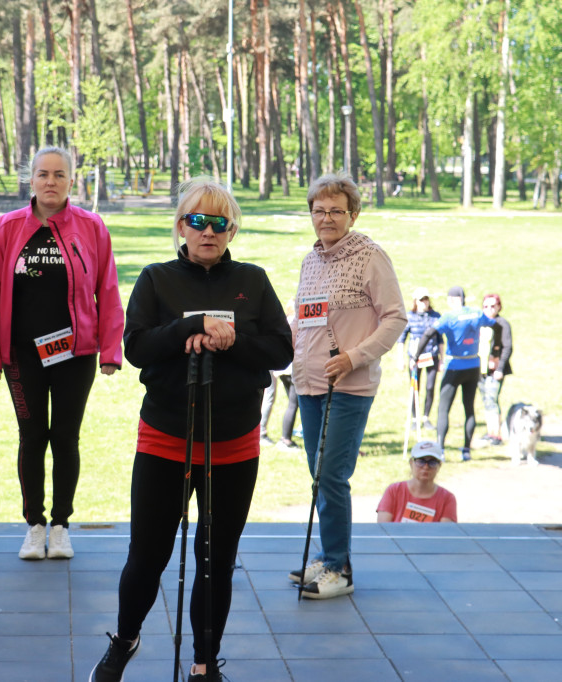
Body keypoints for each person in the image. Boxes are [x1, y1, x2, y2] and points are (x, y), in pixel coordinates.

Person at [89, 179, 291, 682]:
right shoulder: (156, 278)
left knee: (215, 559)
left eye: (219, 223)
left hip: (233, 442)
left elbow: (280, 350)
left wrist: (230, 337)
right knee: (148, 555)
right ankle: (126, 638)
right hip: (166, 437)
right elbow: (136, 347)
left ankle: (205, 662)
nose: (208, 231)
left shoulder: (254, 279)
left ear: (232, 231)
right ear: (181, 226)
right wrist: (191, 326)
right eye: (197, 221)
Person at [0, 147, 124, 561]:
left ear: (71, 181)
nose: (50, 182)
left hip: (75, 353)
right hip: (21, 355)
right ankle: (34, 525)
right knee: (31, 436)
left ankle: (60, 525)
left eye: (59, 175)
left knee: (64, 436)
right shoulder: (7, 228)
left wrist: (111, 349)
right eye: (43, 174)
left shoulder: (91, 227)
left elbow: (108, 291)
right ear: (31, 179)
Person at [289, 173, 406, 600]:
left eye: (336, 211)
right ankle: (328, 554)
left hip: (349, 385)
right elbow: (303, 318)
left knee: (332, 475)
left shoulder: (370, 256)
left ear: (352, 214)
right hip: (308, 384)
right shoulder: (311, 260)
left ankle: (339, 568)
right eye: (319, 211)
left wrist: (355, 357)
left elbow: (396, 318)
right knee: (317, 476)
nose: (327, 218)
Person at [414, 286, 496, 461]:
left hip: (454, 366)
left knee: (444, 409)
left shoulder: (449, 317)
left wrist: (416, 356)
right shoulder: (476, 313)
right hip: (473, 365)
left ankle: (441, 450)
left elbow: (429, 333)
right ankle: (466, 450)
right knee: (469, 408)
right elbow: (495, 323)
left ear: (452, 299)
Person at [376, 440, 457, 523]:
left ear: (439, 465)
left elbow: (445, 533)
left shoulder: (447, 498)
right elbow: (383, 529)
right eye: (421, 461)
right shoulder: (393, 490)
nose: (426, 467)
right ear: (411, 463)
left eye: (432, 462)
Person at [399, 287, 442, 429]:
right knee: (414, 388)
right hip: (414, 359)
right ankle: (414, 418)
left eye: (426, 299)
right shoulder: (409, 317)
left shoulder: (436, 317)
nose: (424, 302)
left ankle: (426, 417)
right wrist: (400, 359)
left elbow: (440, 339)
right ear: (416, 301)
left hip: (432, 356)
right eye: (421, 300)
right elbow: (402, 339)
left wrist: (441, 360)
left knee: (430, 387)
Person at [259, 303, 300, 451]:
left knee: (288, 401)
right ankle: (283, 438)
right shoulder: (294, 321)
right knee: (292, 403)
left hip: (281, 367)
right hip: (289, 367)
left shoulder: (286, 320)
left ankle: (266, 432)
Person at [478, 293, 512, 445]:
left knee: (492, 399)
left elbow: (508, 347)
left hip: (495, 369)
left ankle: (496, 434)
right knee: (486, 400)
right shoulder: (480, 322)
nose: (489, 309)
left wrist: (500, 367)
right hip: (480, 369)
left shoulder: (502, 323)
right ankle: (490, 431)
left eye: (493, 306)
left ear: (499, 307)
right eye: (486, 306)